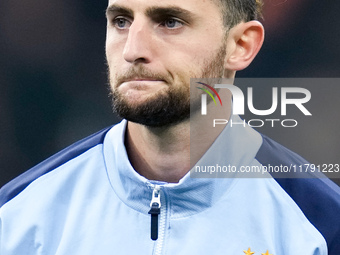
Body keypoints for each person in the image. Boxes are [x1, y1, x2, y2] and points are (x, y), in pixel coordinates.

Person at [1, 0, 339, 254]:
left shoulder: (321, 224)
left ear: (240, 45)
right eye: (121, 21)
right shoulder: (18, 217)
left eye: (170, 22)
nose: (133, 50)